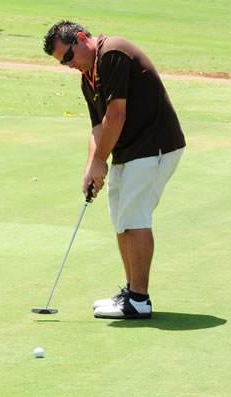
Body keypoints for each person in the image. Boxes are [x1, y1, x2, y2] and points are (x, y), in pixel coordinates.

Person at [43, 21, 185, 319]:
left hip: (154, 146)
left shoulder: (113, 53)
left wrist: (101, 161)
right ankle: (131, 292)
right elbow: (98, 127)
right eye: (62, 63)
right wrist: (90, 167)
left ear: (81, 39)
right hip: (130, 151)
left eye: (68, 57)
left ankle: (139, 299)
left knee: (135, 218)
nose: (68, 65)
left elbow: (116, 114)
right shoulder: (88, 77)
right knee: (122, 219)